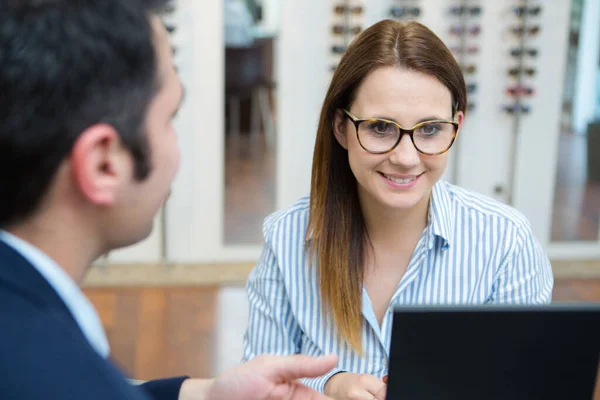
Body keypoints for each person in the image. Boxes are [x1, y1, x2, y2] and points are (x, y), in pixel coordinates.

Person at [0, 0, 337, 399]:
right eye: (169, 119)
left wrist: (209, 394)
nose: (178, 149)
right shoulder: (53, 372)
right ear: (104, 164)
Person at [243, 19, 554, 400]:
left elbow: (522, 386)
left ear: (456, 126)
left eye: (429, 130)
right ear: (341, 127)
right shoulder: (286, 238)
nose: (406, 157)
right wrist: (331, 385)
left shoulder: (506, 242)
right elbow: (257, 388)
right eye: (380, 128)